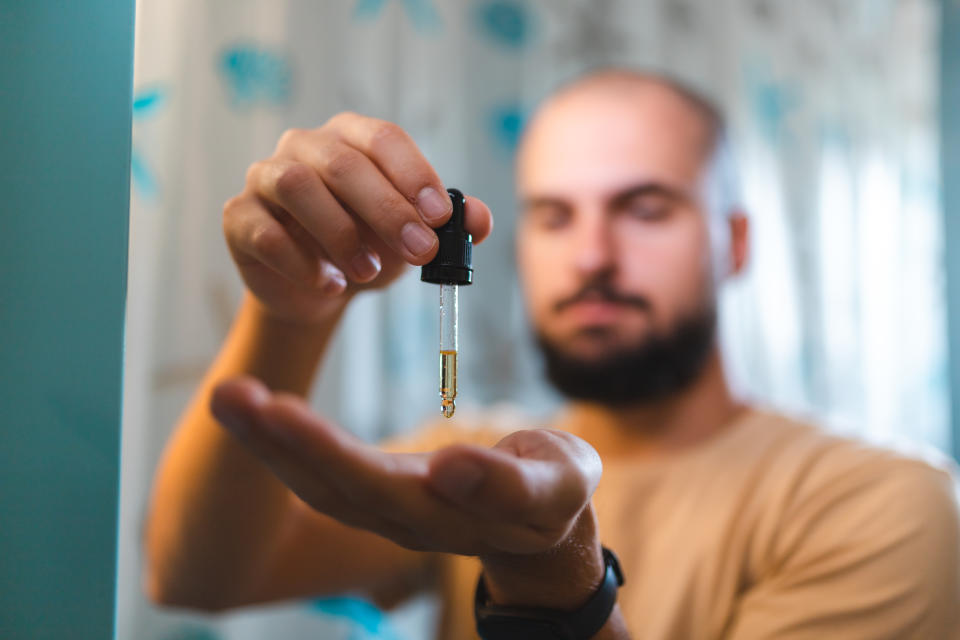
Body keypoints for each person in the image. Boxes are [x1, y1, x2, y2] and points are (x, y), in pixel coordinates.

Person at [145, 69, 960, 639]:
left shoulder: (886, 504)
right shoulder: (470, 465)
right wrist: (289, 315)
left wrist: (553, 585)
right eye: (555, 215)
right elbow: (197, 576)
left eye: (644, 208)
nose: (592, 256)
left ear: (734, 242)